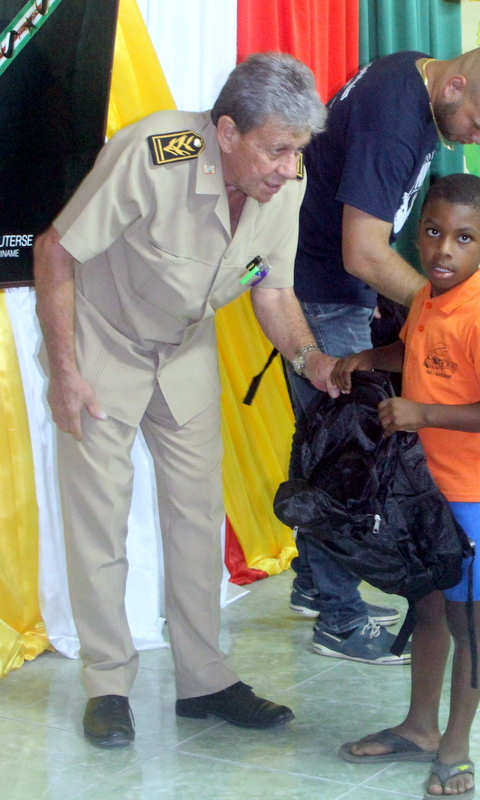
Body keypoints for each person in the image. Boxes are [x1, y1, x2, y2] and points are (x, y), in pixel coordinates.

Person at [33, 53, 340, 748]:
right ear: (225, 132)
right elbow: (54, 250)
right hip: (102, 344)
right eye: (276, 149)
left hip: (183, 349)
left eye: (297, 152)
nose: (287, 168)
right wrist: (64, 372)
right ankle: (108, 684)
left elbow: (272, 289)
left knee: (197, 517)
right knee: (99, 523)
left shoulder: (284, 188)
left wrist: (309, 357)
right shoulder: (154, 152)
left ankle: (205, 680)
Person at [286, 45, 480, 665]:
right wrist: (442, 308)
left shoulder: (412, 71)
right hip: (322, 289)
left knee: (329, 438)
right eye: (477, 124)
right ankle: (339, 619)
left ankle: (318, 585)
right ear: (454, 85)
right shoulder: (395, 123)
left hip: (334, 288)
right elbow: (363, 253)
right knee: (349, 452)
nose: (474, 141)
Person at [331, 174, 480, 800]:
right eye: (435, 232)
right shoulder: (428, 302)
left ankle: (457, 746)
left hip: (471, 493)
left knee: (467, 619)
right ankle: (419, 727)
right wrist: (371, 359)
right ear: (418, 233)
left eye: (463, 239)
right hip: (422, 490)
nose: (445, 250)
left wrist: (422, 414)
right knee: (426, 607)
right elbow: (417, 355)